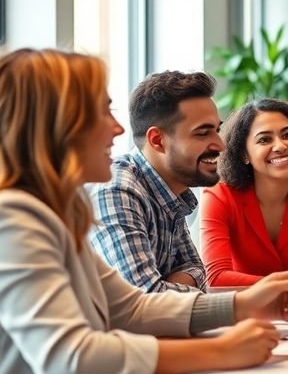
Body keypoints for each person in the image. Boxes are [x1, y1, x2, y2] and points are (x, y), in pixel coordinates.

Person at [0, 49, 288, 374]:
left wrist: (244, 303)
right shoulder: (3, 217)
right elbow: (71, 360)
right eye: (101, 112)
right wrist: (221, 352)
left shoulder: (50, 210)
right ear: (52, 125)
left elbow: (129, 306)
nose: (116, 129)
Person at [88, 70, 223, 292]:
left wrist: (167, 287)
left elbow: (197, 269)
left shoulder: (170, 192)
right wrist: (162, 288)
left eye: (217, 130)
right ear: (157, 140)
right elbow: (144, 298)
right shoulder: (117, 189)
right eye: (202, 133)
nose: (220, 144)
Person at [201, 98, 288, 287]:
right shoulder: (219, 196)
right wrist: (284, 286)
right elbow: (215, 278)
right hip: (243, 311)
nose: (280, 146)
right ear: (244, 154)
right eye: (264, 139)